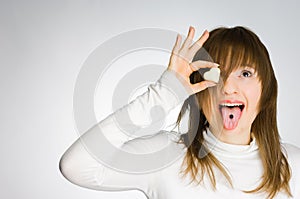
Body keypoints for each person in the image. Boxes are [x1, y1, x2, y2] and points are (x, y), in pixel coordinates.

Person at [59, 26, 300, 199]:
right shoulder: (166, 156)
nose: (228, 87)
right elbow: (76, 167)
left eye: (245, 74)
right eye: (215, 74)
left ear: (266, 90)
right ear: (198, 90)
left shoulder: (294, 165)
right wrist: (162, 95)